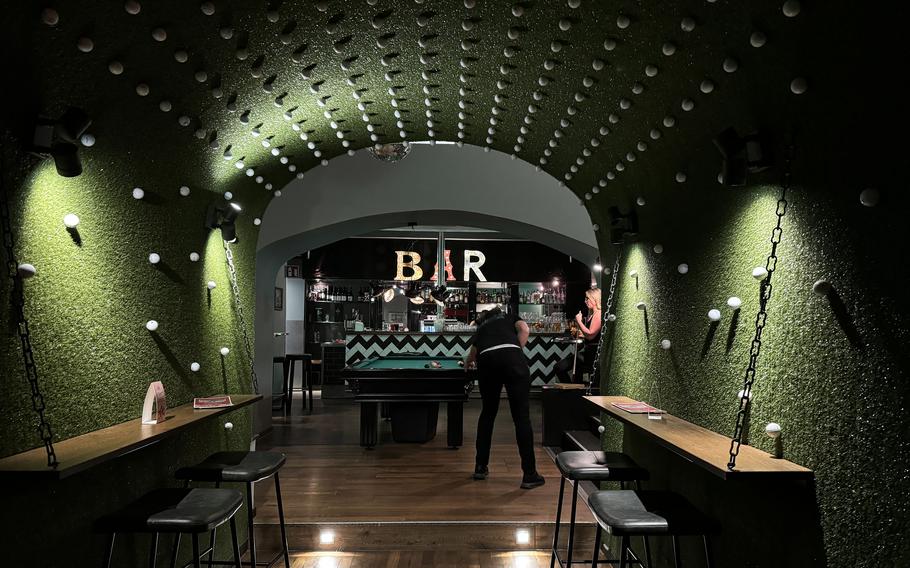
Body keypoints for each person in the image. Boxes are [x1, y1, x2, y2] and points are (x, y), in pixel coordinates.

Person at [464, 307, 545, 489]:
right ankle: (529, 475)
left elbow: (473, 354)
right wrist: (515, 350)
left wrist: (468, 363)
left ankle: (480, 466)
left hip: (487, 363)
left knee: (488, 413)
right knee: (521, 418)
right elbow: (525, 329)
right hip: (513, 361)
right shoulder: (509, 317)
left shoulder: (482, 328)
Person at [554, 288, 602, 384]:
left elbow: (590, 335)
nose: (585, 301)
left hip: (593, 355)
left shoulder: (598, 314)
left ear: (595, 299)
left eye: (587, 298)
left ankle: (573, 393)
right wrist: (582, 334)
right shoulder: (592, 314)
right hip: (587, 353)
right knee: (561, 368)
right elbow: (589, 334)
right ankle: (574, 393)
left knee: (560, 367)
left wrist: (579, 321)